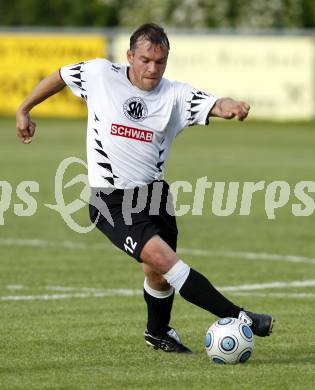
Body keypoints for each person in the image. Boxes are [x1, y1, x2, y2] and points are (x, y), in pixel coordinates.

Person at [16, 23, 274, 353]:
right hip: (111, 200)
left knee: (159, 275)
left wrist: (231, 106)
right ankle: (243, 318)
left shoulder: (175, 95)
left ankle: (158, 332)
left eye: (160, 61)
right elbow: (61, 76)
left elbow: (214, 104)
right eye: (145, 60)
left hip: (154, 197)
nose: (152, 68)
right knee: (168, 262)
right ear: (129, 57)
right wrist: (24, 109)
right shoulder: (99, 74)